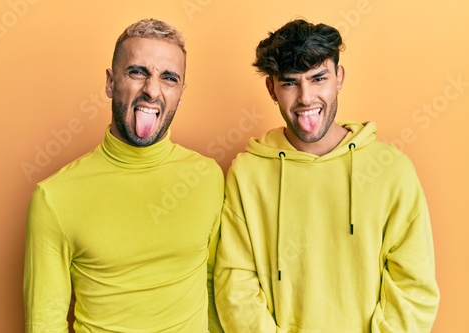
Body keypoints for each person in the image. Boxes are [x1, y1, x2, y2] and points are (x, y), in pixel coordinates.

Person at [214, 18, 440, 332]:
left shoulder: (392, 171)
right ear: (272, 88)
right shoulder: (247, 173)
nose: (306, 97)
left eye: (318, 78)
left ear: (339, 78)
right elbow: (235, 284)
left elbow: (414, 288)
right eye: (290, 82)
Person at [24, 18, 224, 332]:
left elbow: (214, 289)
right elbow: (44, 323)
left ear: (181, 94)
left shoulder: (206, 177)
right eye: (137, 72)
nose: (152, 90)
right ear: (110, 82)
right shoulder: (54, 196)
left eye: (168, 78)